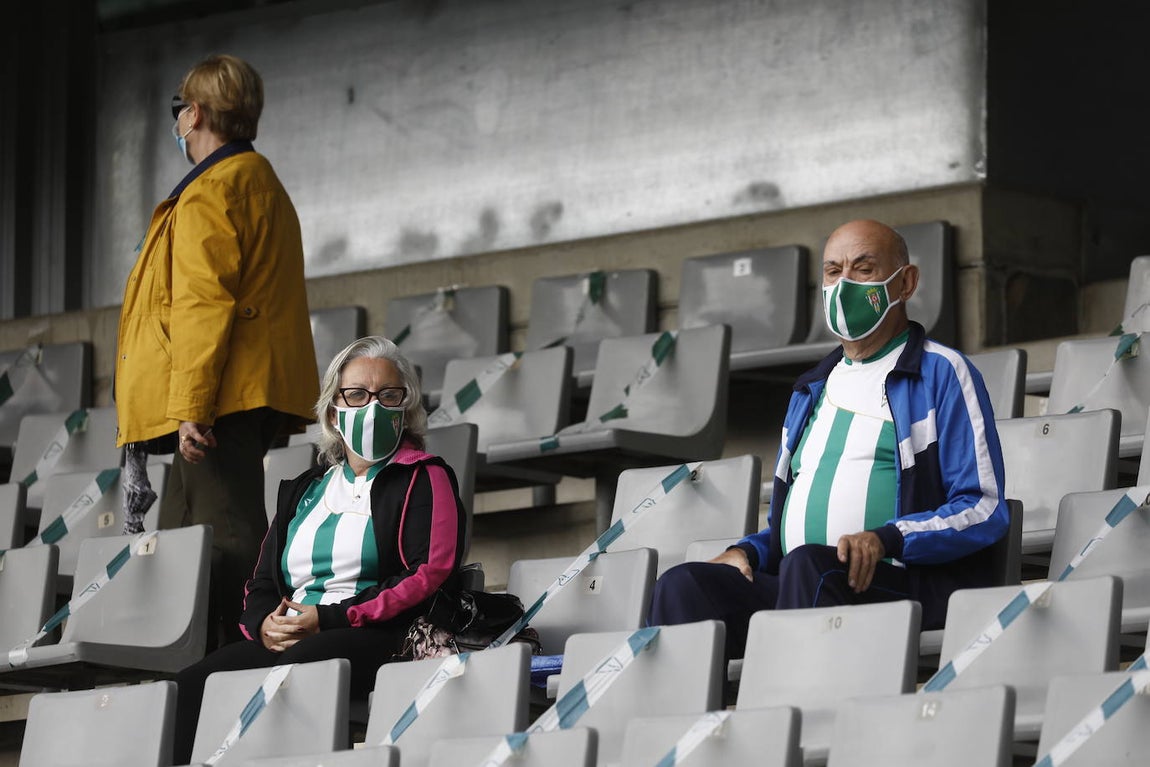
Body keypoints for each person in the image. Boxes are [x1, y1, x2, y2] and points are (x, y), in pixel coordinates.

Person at [649, 219, 1009, 660]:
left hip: (904, 584)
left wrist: (887, 539)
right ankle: (695, 727)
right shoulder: (810, 390)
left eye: (863, 269)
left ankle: (787, 715)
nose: (844, 285)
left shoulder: (943, 374)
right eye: (833, 271)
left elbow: (983, 507)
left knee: (809, 567)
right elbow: (786, 531)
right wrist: (747, 551)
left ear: (906, 282)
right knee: (683, 585)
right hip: (806, 582)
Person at [171, 335, 467, 763]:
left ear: (405, 408)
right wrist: (262, 626)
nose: (373, 406)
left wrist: (330, 617)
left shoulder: (424, 476)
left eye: (388, 395)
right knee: (192, 684)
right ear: (333, 410)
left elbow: (429, 573)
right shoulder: (305, 489)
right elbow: (263, 581)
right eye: (357, 395)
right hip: (295, 635)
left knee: (295, 672)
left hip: (380, 634)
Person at [114, 54, 319, 647]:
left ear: (194, 114)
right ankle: (188, 667)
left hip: (220, 399)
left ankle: (242, 654)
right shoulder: (261, 182)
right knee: (184, 542)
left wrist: (193, 406)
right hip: (244, 391)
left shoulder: (211, 191)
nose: (178, 122)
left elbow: (202, 308)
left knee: (224, 540)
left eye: (179, 110)